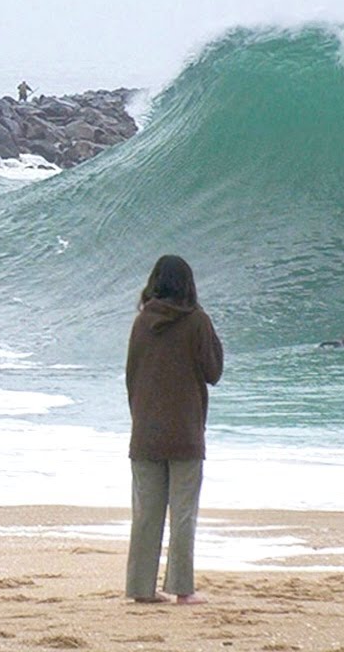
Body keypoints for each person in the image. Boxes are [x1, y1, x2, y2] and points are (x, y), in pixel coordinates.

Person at [125, 255, 224, 605]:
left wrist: (142, 419)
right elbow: (213, 372)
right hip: (185, 431)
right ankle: (182, 590)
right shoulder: (197, 322)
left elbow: (131, 378)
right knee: (183, 514)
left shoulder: (141, 323)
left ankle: (140, 588)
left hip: (146, 432)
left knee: (146, 514)